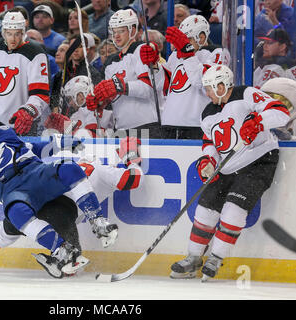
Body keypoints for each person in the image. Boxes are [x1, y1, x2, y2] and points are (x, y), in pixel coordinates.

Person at [0, 105, 119, 278]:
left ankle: (98, 221)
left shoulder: (5, 132)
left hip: (35, 172)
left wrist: (57, 146)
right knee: (16, 214)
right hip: (12, 189)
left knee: (69, 168)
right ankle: (61, 250)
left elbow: (33, 149)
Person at [169, 64, 290, 281]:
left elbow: (280, 112)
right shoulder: (208, 112)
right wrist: (208, 160)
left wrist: (258, 122)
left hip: (259, 161)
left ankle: (216, 257)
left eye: (209, 88)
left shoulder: (246, 94)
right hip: (228, 167)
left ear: (222, 85)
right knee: (205, 208)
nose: (206, 93)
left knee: (234, 208)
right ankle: (194, 257)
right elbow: (210, 142)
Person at [139, 14, 230, 139]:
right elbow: (163, 85)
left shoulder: (216, 53)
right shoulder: (175, 56)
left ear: (202, 38)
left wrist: (187, 52)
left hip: (196, 127)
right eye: (181, 40)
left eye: (187, 39)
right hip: (168, 125)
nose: (181, 44)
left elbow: (201, 81)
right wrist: (154, 65)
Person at [86, 9, 162, 139]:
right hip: (120, 128)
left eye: (121, 31)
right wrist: (99, 101)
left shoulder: (142, 50)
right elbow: (112, 98)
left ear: (132, 30)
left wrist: (119, 86)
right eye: (114, 32)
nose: (116, 36)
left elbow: (148, 89)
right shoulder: (110, 62)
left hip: (146, 125)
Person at [50, 34, 103, 115]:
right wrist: (55, 111)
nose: (75, 50)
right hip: (62, 121)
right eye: (72, 46)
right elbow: (54, 98)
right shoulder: (60, 75)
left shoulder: (92, 73)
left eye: (80, 46)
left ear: (87, 50)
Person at [45, 75, 114, 137]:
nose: (70, 103)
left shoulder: (107, 112)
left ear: (81, 96)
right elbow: (70, 139)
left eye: (70, 99)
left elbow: (92, 138)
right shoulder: (75, 116)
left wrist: (68, 127)